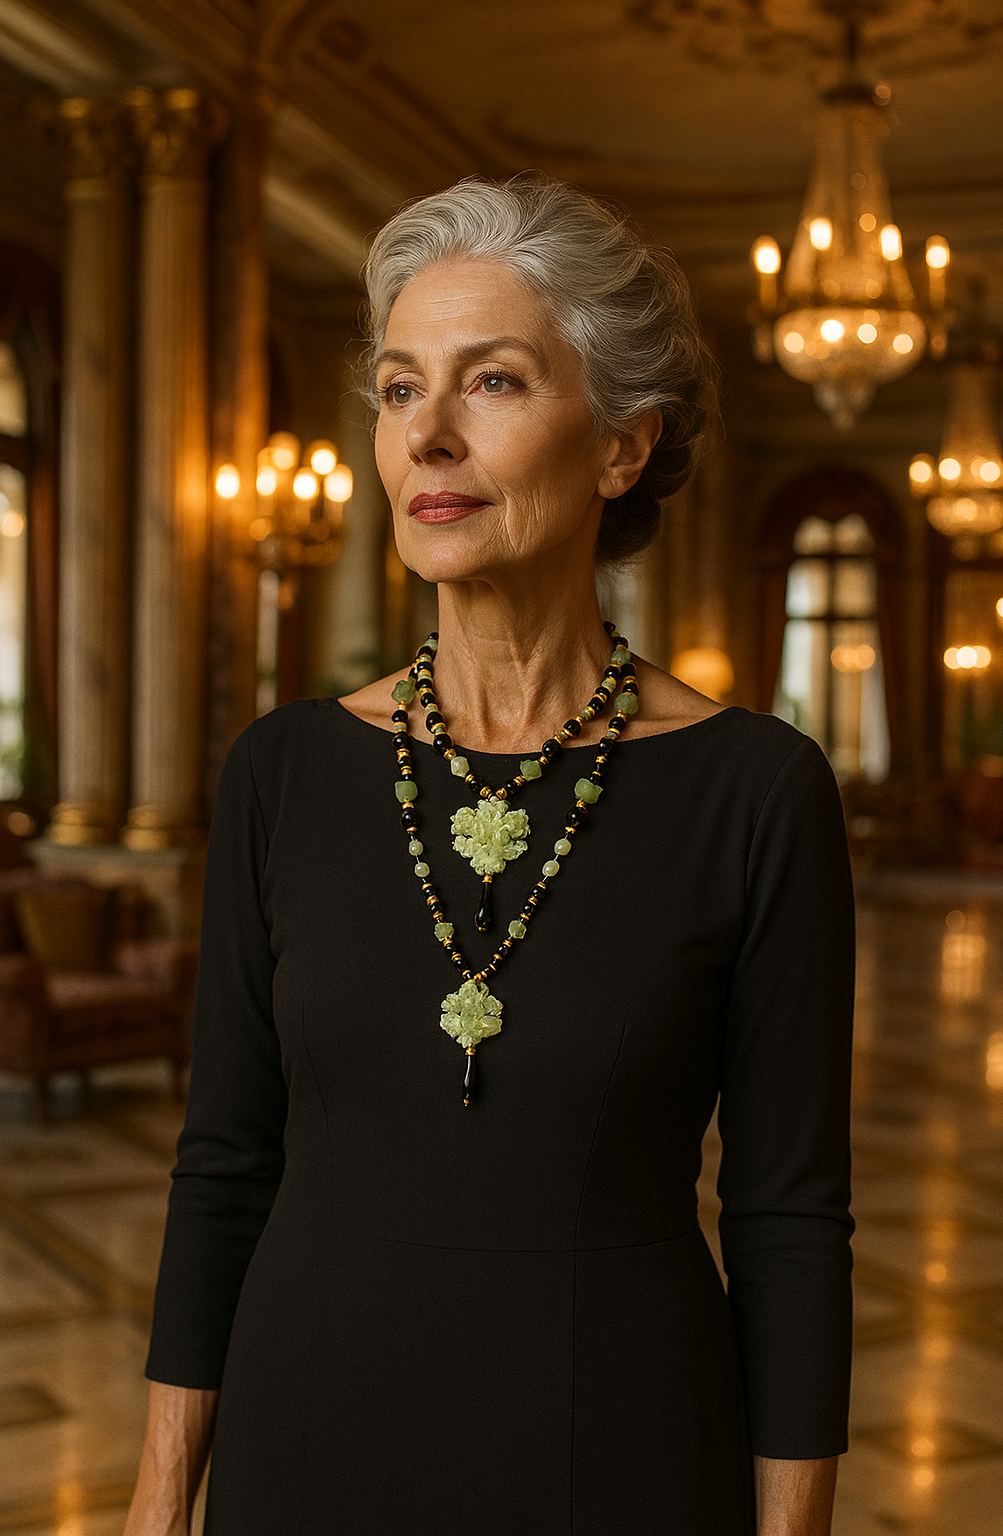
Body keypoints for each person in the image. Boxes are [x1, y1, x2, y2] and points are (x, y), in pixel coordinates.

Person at [125, 176, 854, 1536]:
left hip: (620, 1445)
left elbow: (790, 1223)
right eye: (400, 391)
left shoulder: (756, 791)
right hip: (307, 1440)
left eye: (495, 382)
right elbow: (224, 1164)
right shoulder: (281, 772)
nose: (428, 438)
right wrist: (161, 1501)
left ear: (623, 447)